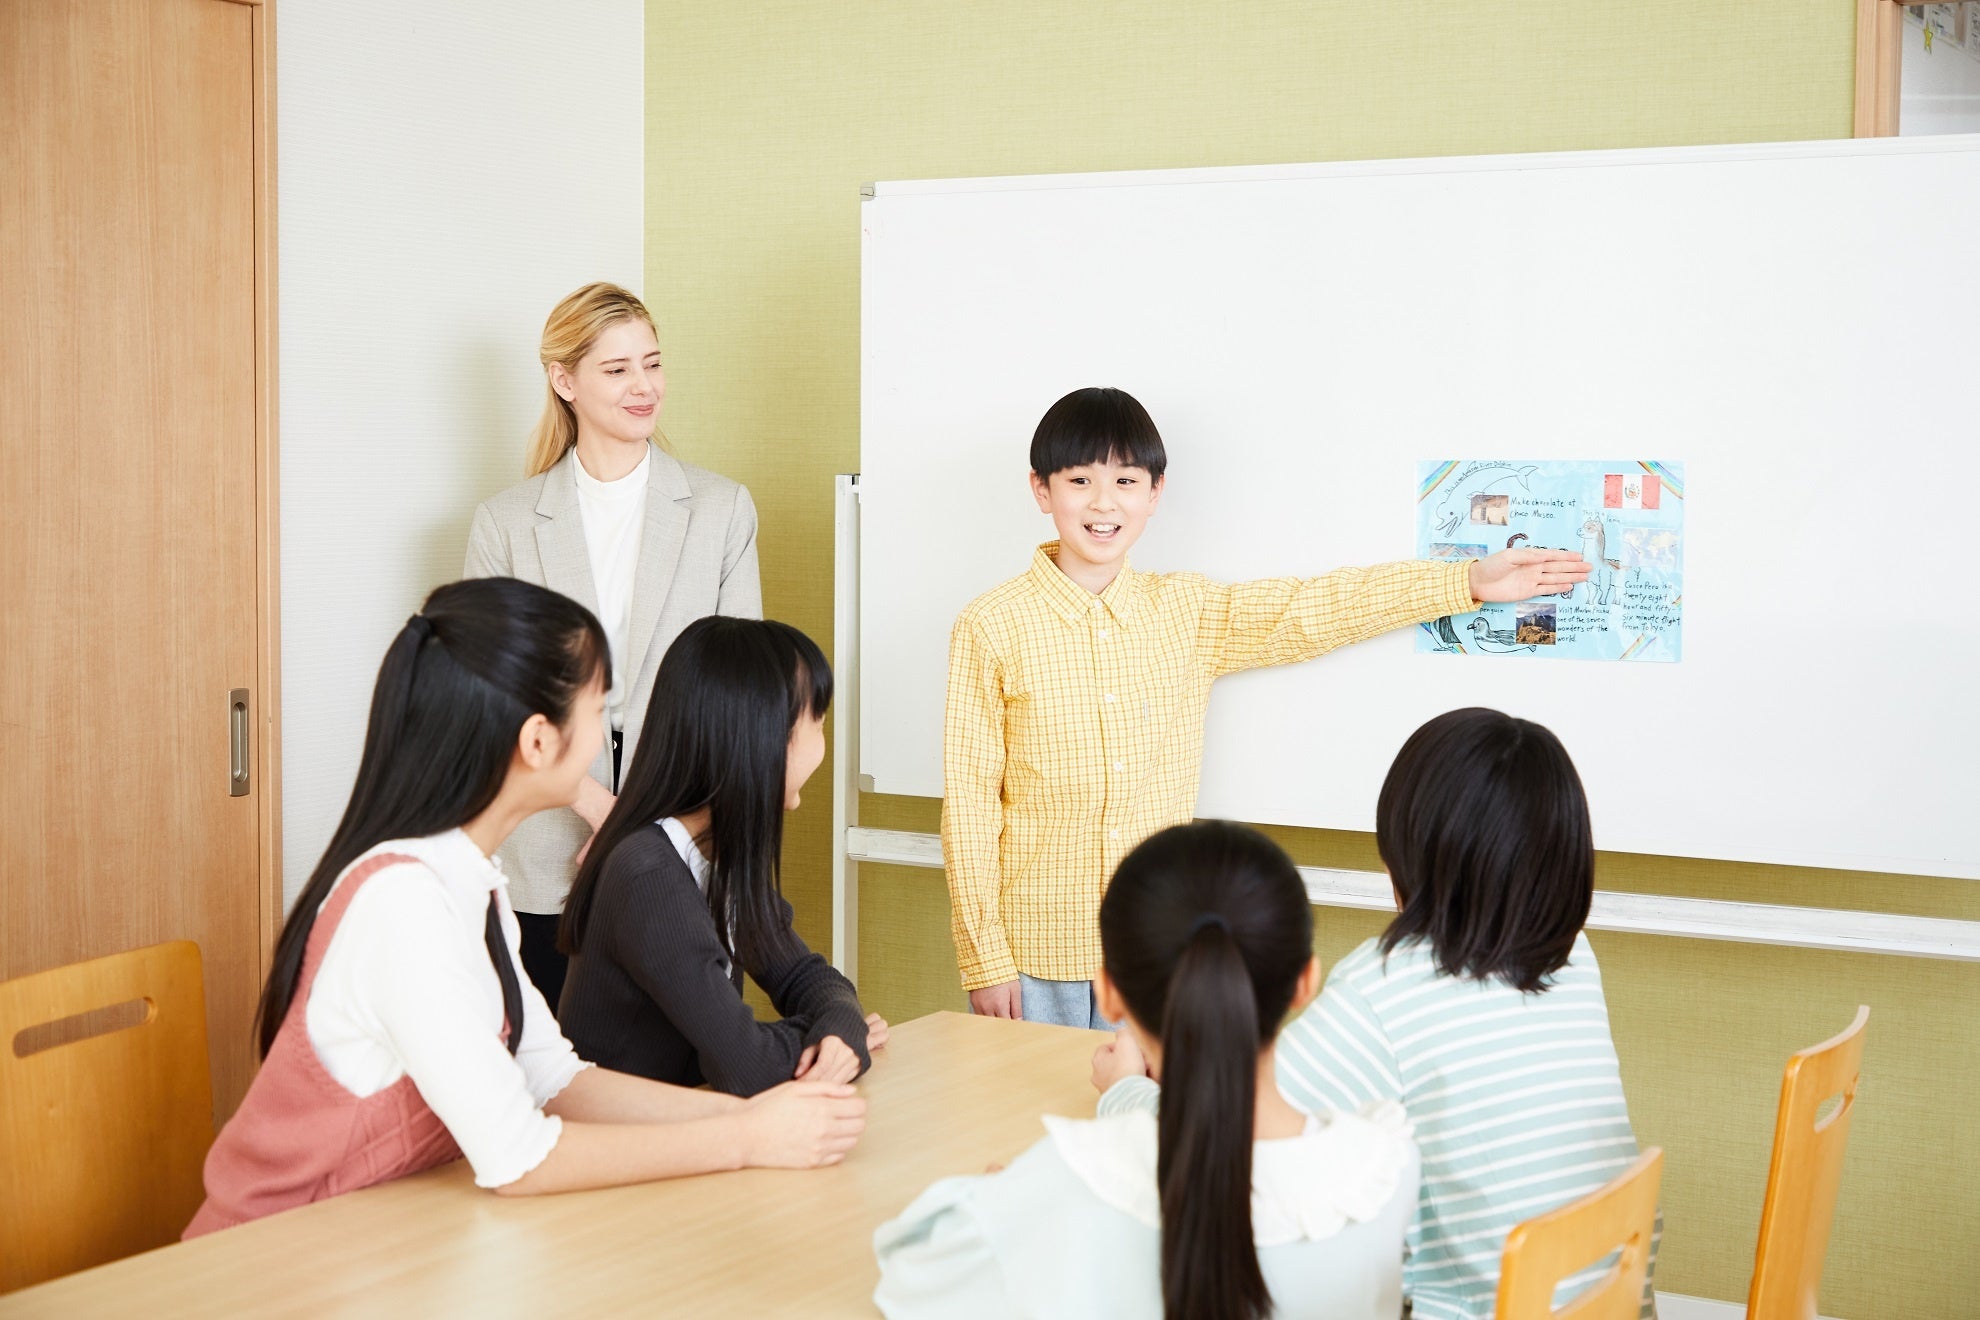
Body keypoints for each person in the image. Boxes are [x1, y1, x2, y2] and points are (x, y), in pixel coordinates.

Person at [185, 579, 861, 1238]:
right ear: (539, 740)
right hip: (270, 1263)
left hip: (381, 1241)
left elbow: (553, 1079)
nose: (606, 738)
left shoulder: (474, 881)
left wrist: (754, 1118)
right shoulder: (402, 905)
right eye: (600, 710)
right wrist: (744, 1137)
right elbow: (520, 1155)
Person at [943, 386, 1589, 1026]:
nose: (1103, 502)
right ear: (1041, 490)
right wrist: (985, 960)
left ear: (1155, 493)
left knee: (1145, 1123)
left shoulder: (1187, 611)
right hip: (1033, 950)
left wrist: (1464, 581)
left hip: (1152, 945)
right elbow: (969, 800)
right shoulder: (990, 626)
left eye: (1126, 480)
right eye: (1079, 480)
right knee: (1033, 1126)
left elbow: (1312, 609)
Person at [1099, 708, 1657, 1319]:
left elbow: (1220, 1148)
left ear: (1406, 851)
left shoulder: (1388, 988)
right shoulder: (1573, 957)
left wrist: (1125, 1089)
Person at [874, 821, 1419, 1320]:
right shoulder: (1385, 1169)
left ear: (1109, 993)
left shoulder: (1074, 1175)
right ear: (1305, 983)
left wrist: (1005, 1200)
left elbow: (906, 1280)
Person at [464, 281, 761, 1006]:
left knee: (688, 1074)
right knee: (556, 1072)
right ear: (564, 380)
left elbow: (739, 696)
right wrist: (606, 813)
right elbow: (495, 702)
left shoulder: (721, 510)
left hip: (691, 836)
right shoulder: (504, 524)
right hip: (547, 847)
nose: (644, 386)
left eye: (652, 364)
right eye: (618, 368)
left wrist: (648, 832)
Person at [557, 616, 888, 1094]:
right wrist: (831, 1039)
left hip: (692, 1127)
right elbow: (745, 1065)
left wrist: (838, 1024)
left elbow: (805, 975)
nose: (822, 741)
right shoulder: (648, 874)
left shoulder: (717, 858)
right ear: (761, 739)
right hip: (635, 1149)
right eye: (816, 720)